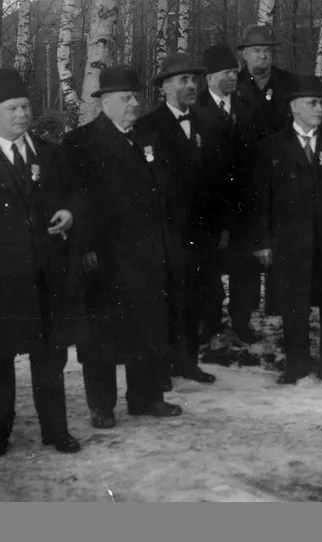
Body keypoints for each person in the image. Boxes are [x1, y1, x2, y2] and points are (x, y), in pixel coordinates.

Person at [0, 68, 84, 457]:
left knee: (49, 358)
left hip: (46, 276)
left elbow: (76, 194)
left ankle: (56, 430)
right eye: (12, 108)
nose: (22, 114)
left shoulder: (51, 154)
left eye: (25, 106)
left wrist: (70, 211)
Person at [62, 65, 184, 428]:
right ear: (106, 102)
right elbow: (75, 199)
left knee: (149, 325)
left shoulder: (150, 137)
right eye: (126, 97)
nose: (134, 103)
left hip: (149, 251)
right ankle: (102, 406)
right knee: (102, 335)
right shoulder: (81, 142)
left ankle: (146, 398)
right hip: (105, 256)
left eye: (136, 97)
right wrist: (85, 247)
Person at [252, 75, 322, 386]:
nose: (319, 108)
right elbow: (261, 198)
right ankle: (296, 363)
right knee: (294, 304)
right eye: (312, 103)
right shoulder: (272, 147)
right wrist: (263, 242)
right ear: (294, 107)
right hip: (290, 241)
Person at [141, 52, 224, 385]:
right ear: (164, 87)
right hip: (166, 230)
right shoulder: (148, 126)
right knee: (166, 299)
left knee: (195, 297)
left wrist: (218, 225)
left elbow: (217, 178)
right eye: (183, 80)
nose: (192, 86)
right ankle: (162, 367)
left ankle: (188, 362)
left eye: (194, 80)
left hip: (200, 231)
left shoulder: (208, 122)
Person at [195, 43, 266, 342]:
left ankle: (242, 321)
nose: (233, 77)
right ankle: (209, 320)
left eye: (234, 72)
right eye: (226, 73)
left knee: (245, 268)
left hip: (243, 205)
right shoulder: (194, 109)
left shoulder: (249, 106)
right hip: (210, 205)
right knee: (208, 267)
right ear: (209, 78)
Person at [234, 24, 299, 137]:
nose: (263, 55)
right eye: (256, 50)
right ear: (245, 55)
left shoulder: (290, 82)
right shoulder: (234, 85)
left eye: (267, 50)